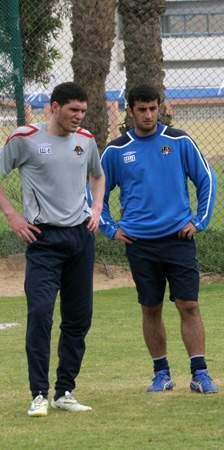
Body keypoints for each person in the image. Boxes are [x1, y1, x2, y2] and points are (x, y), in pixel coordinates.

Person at [99, 84, 218, 394]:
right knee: (150, 308)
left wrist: (199, 221)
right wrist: (110, 228)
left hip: (178, 238)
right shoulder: (115, 151)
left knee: (189, 304)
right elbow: (95, 191)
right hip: (139, 243)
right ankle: (161, 373)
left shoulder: (179, 141)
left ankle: (200, 373)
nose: (148, 115)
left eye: (153, 108)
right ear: (130, 111)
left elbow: (207, 178)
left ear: (160, 108)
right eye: (142, 109)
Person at [0, 82, 105, 417]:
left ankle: (65, 391)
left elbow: (98, 176)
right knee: (41, 313)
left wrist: (97, 209)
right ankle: (38, 395)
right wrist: (13, 216)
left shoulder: (86, 140)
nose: (79, 116)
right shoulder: (25, 139)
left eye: (83, 111)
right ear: (54, 107)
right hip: (42, 241)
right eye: (73, 110)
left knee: (79, 317)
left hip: (80, 239)